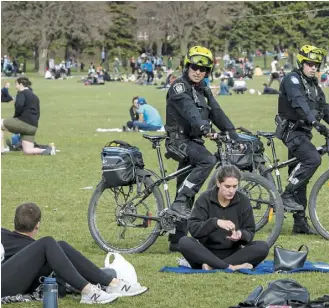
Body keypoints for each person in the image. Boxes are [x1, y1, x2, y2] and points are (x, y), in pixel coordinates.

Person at [165, 45, 244, 250]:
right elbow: (189, 110)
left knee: (187, 184)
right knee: (207, 161)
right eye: (194, 66)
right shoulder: (179, 87)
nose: (198, 71)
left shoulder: (202, 88)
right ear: (187, 65)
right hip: (178, 141)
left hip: (193, 142)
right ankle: (181, 201)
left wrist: (232, 133)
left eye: (203, 69)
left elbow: (216, 111)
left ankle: (177, 240)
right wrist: (202, 126)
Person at [1, 203, 147, 303]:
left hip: (10, 275)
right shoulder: (35, 247)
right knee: (48, 242)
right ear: (37, 225)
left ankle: (112, 283)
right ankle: (89, 290)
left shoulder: (8, 236)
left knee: (60, 245)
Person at [277, 44, 329, 234]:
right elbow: (298, 102)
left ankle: (299, 224)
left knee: (301, 176)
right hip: (291, 131)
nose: (313, 67)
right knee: (312, 159)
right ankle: (285, 195)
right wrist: (315, 123)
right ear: (301, 63)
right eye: (309, 63)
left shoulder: (314, 86)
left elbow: (325, 109)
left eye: (316, 64)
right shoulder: (292, 79)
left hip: (303, 133)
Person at [177, 166, 269, 270]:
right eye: (227, 186)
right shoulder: (205, 199)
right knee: (184, 242)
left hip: (234, 255)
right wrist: (215, 223)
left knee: (262, 246)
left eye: (235, 186)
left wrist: (240, 234)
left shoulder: (243, 201)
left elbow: (250, 231)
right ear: (218, 183)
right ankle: (231, 267)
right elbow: (194, 229)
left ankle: (213, 267)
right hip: (206, 254)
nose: (231, 191)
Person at [0, 77, 54, 155]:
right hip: (33, 127)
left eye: (16, 84)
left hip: (23, 122)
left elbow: (19, 106)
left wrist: (15, 118)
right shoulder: (34, 96)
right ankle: (47, 151)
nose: (16, 87)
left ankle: (1, 151)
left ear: (21, 84)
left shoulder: (21, 93)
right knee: (28, 150)